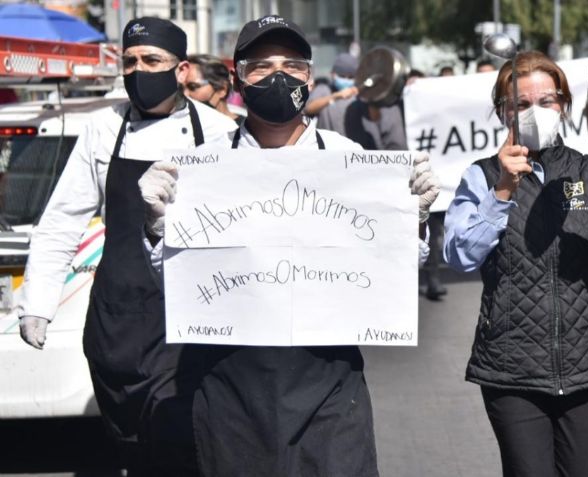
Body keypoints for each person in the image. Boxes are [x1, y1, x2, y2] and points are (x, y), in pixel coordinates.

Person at [138, 15, 439, 476]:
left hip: (330, 387)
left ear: (309, 76)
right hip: (230, 386)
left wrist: (413, 221)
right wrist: (159, 225)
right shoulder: (201, 168)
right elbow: (174, 280)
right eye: (261, 66)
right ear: (239, 77)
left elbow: (398, 267)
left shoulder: (349, 160)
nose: (278, 75)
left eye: (291, 65)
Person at [16, 17, 236, 475]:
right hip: (116, 321)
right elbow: (61, 220)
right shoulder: (101, 129)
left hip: (187, 319)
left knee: (178, 440)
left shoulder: (219, 133)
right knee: (132, 446)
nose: (139, 70)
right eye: (130, 61)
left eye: (152, 59)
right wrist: (38, 302)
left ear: (181, 70)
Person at [444, 50, 588, 477]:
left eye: (546, 101)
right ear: (503, 112)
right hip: (510, 367)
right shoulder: (481, 176)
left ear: (563, 106)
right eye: (520, 104)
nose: (534, 112)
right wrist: (503, 190)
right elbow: (460, 255)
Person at [183, 53, 242, 122]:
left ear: (222, 89)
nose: (185, 94)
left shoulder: (243, 130)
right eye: (180, 88)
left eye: (192, 87)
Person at [303, 52, 359, 117]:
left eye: (350, 77)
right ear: (332, 74)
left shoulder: (357, 94)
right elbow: (308, 109)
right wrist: (336, 96)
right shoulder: (323, 89)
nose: (346, 80)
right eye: (342, 76)